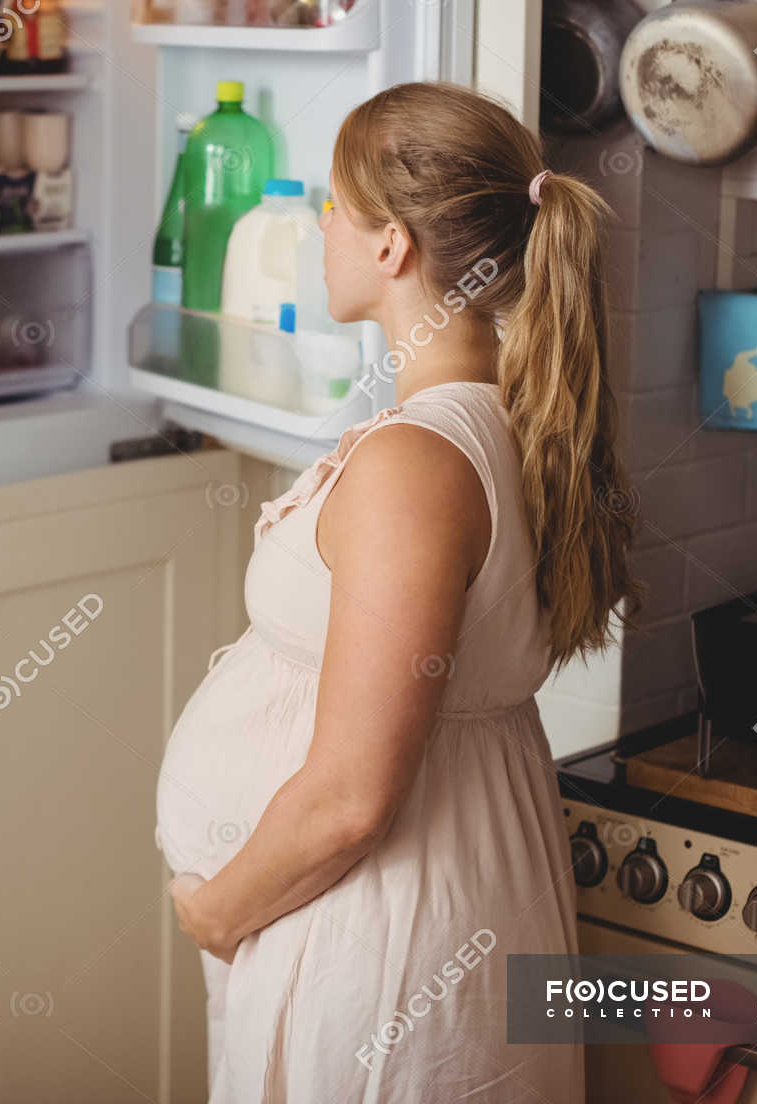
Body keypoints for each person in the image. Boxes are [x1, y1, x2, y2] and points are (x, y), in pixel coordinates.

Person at [155, 80, 639, 1102]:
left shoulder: (418, 465)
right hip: (425, 903)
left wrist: (219, 910)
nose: (320, 230)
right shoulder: (508, 418)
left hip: (382, 936)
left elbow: (349, 801)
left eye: (335, 207)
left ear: (391, 248)